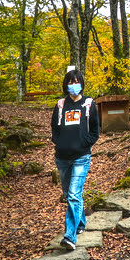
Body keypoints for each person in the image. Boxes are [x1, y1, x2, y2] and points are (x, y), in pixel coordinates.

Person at [51, 67, 100, 250]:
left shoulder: (89, 104)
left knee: (73, 195)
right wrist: (59, 142)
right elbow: (54, 129)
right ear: (66, 85)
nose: (74, 85)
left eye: (77, 81)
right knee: (69, 195)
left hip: (81, 157)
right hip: (62, 158)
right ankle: (80, 223)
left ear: (81, 83)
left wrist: (84, 144)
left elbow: (95, 130)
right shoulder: (60, 105)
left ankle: (70, 235)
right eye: (70, 82)